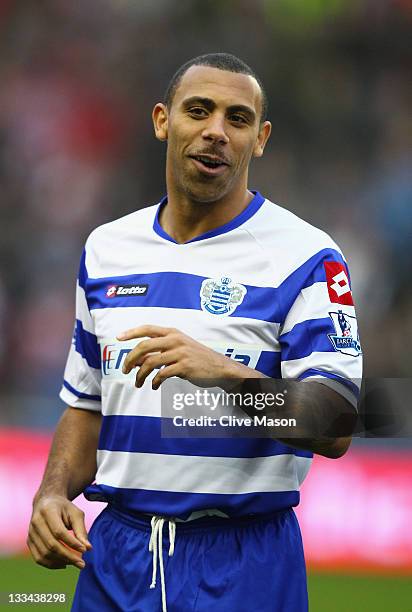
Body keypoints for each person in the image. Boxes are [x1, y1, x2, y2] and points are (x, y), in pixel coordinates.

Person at [28, 53, 362, 612]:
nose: (216, 132)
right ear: (163, 120)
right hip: (116, 556)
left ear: (260, 138)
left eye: (237, 119)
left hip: (245, 559)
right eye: (199, 111)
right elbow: (87, 403)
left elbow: (337, 424)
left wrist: (225, 374)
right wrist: (52, 492)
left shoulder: (308, 258)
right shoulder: (107, 250)